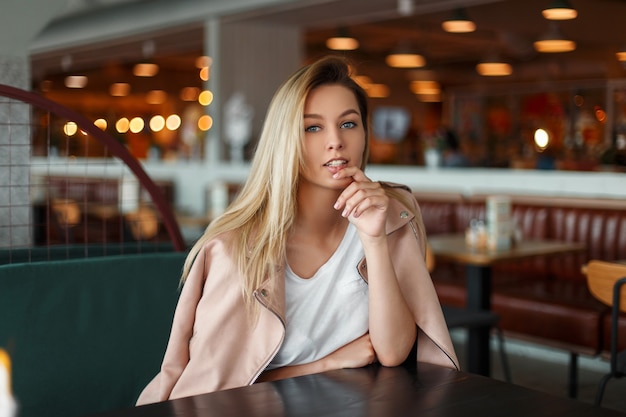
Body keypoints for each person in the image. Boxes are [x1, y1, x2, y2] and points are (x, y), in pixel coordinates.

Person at [136, 56, 459, 405]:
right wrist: (326, 364)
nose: (335, 141)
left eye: (349, 124)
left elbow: (394, 352)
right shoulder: (236, 250)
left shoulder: (392, 214)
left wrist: (374, 240)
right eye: (313, 128)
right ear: (285, 139)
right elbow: (212, 392)